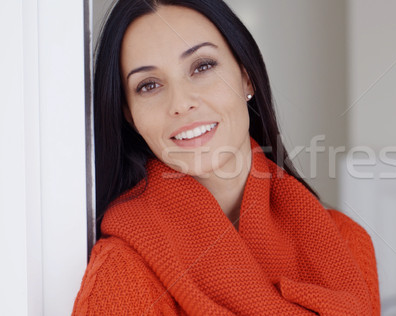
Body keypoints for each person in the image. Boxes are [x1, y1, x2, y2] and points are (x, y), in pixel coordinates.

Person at [73, 0, 380, 314]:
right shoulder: (123, 273)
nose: (180, 103)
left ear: (246, 76)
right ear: (130, 115)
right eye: (148, 85)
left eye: (202, 66)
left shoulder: (349, 244)